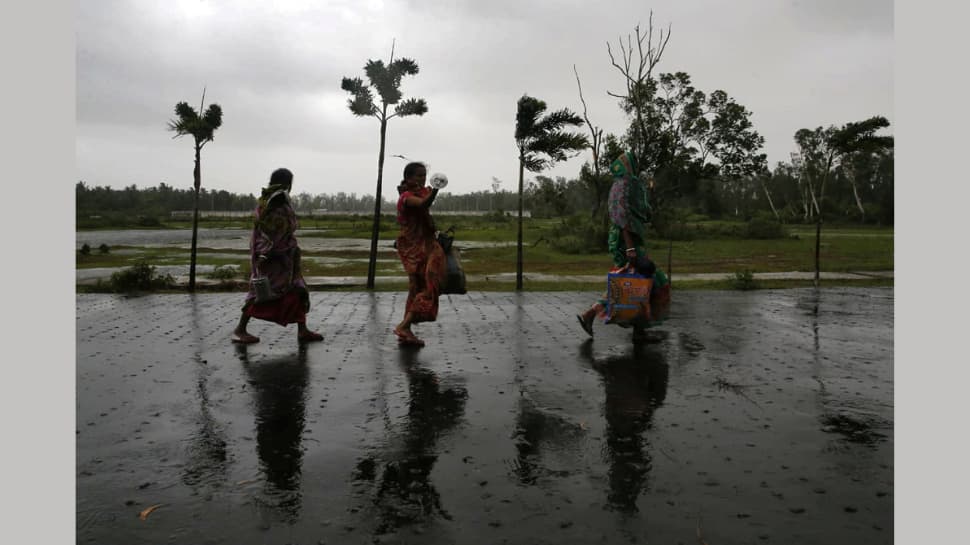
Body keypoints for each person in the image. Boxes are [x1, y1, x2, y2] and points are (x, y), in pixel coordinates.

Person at [576, 151, 670, 339]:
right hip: (628, 243)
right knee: (648, 281)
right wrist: (630, 247)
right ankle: (592, 314)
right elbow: (623, 217)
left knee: (635, 283)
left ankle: (638, 330)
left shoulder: (617, 186)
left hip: (621, 242)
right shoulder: (629, 184)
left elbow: (632, 212)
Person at [231, 168, 323, 344]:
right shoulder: (276, 202)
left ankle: (302, 330)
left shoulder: (266, 200)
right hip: (274, 257)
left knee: (298, 289)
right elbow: (273, 230)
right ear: (287, 183)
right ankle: (240, 329)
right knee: (261, 292)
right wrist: (271, 252)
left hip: (283, 258)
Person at [393, 162, 446, 347]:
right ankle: (404, 325)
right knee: (429, 286)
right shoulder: (407, 198)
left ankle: (406, 330)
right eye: (418, 176)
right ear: (408, 178)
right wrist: (436, 190)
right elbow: (424, 204)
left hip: (424, 246)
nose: (423, 179)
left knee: (418, 288)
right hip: (416, 250)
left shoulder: (420, 193)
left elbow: (425, 202)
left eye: (424, 175)